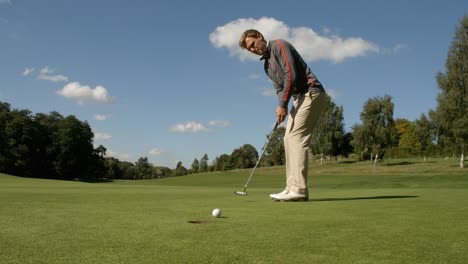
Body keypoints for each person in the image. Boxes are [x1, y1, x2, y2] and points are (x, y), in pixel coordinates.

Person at [239, 29, 327, 201]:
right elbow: (280, 89)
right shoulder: (266, 66)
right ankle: (291, 187)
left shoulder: (279, 45)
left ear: (259, 36)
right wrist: (281, 107)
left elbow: (291, 74)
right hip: (298, 98)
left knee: (296, 138)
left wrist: (283, 104)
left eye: (252, 45)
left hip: (311, 92)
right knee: (288, 138)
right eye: (249, 50)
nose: (253, 50)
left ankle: (299, 189)